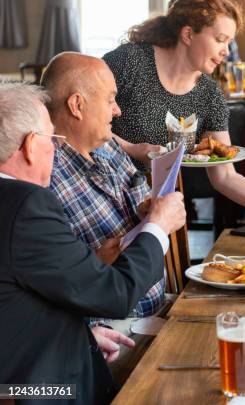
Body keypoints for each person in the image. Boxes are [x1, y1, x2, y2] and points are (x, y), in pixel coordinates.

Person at [0, 83, 186, 403]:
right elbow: (115, 295)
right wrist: (157, 227)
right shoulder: (26, 205)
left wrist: (78, 338)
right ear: (31, 145)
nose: (57, 150)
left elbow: (17, 302)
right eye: (53, 140)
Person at [102, 0, 245, 227]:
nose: (226, 52)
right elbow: (76, 122)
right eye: (220, 40)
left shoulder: (210, 94)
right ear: (188, 34)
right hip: (100, 196)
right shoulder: (129, 62)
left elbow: (225, 176)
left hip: (154, 210)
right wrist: (132, 148)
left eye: (229, 42)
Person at [42, 52, 166, 324]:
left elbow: (142, 204)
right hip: (112, 333)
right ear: (77, 105)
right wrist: (98, 260)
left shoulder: (107, 145)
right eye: (110, 99)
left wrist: (151, 210)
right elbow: (62, 288)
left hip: (161, 309)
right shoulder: (45, 178)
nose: (117, 110)